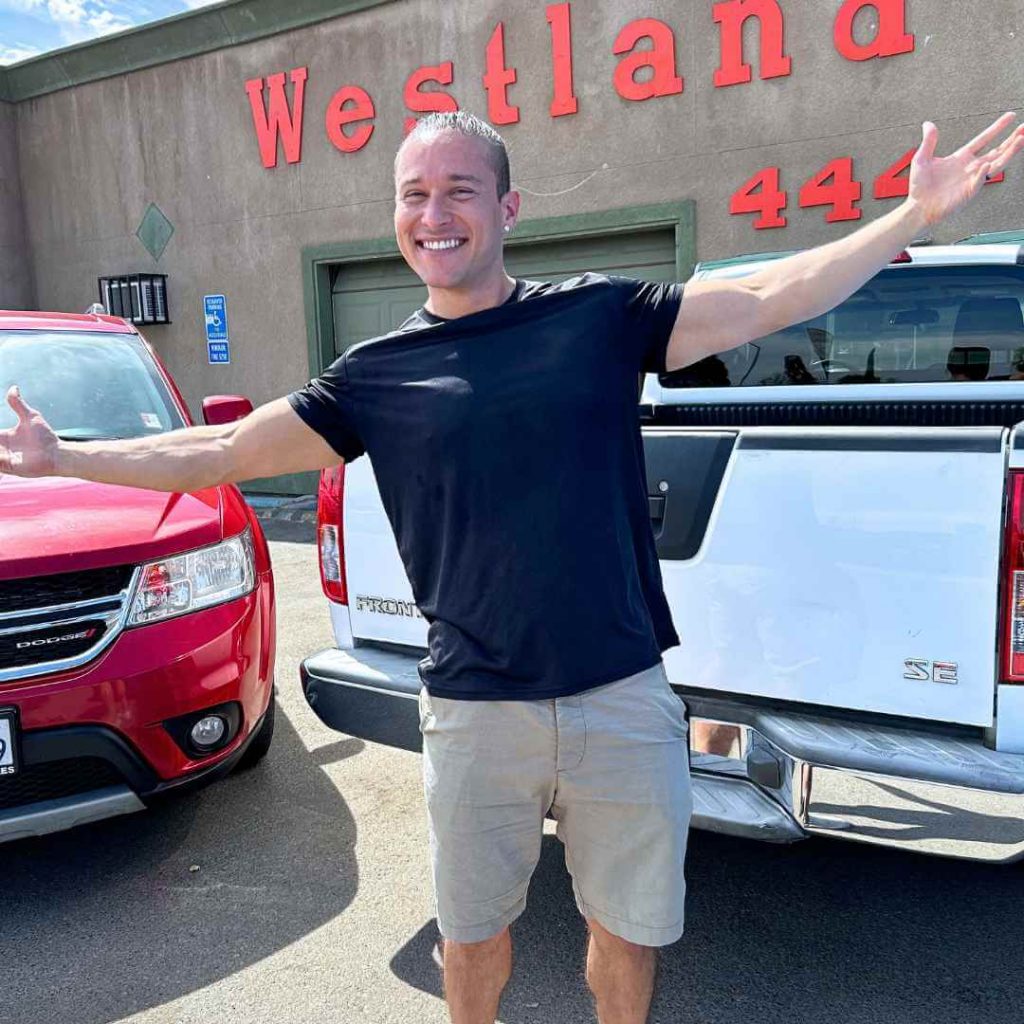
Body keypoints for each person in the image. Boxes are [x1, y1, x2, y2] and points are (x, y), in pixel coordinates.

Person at [3, 110, 1022, 1024]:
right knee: (472, 931)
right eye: (413, 194)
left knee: (627, 929)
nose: (433, 213)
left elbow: (762, 297)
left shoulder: (592, 318)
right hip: (474, 708)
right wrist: (69, 459)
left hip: (619, 693)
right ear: (394, 214)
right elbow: (218, 453)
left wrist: (904, 220)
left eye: (458, 190)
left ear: (506, 206)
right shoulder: (374, 375)